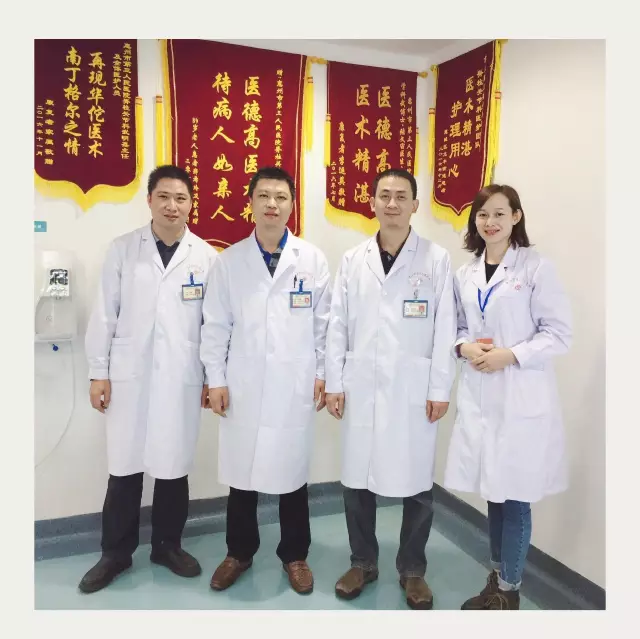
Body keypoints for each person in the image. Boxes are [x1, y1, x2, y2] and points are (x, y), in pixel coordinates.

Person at [80, 165, 217, 593]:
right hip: (129, 377)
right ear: (150, 201)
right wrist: (98, 372)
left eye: (181, 198)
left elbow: (213, 325)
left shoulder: (206, 257)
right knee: (125, 468)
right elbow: (104, 314)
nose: (172, 206)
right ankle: (115, 554)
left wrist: (212, 377)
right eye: (164, 197)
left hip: (181, 376)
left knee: (173, 467)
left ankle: (167, 546)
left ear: (191, 203)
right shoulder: (123, 250)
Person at [325, 168, 457, 610]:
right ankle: (362, 562)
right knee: (357, 479)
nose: (393, 203)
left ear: (415, 205)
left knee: (417, 482)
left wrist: (440, 387)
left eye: (402, 196)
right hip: (361, 384)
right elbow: (337, 325)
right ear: (372, 203)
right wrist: (335, 382)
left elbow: (445, 328)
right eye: (385, 195)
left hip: (412, 388)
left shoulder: (436, 259)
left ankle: (413, 569)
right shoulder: (353, 259)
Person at [201, 166, 331, 595]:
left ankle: (295, 555)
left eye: (281, 197)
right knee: (243, 473)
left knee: (292, 473)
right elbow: (215, 325)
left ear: (293, 205)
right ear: (251, 203)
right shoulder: (230, 261)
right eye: (264, 196)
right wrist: (216, 379)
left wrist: (322, 373)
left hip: (294, 382)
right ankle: (238, 552)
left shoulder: (312, 260)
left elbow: (324, 325)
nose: (272, 204)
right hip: (243, 382)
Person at [445, 184, 572, 610]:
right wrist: (464, 347)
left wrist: (511, 355)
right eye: (483, 214)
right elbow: (459, 326)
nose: (490, 222)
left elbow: (558, 334)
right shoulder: (466, 273)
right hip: (482, 398)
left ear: (516, 217)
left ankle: (509, 590)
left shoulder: (535, 269)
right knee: (494, 494)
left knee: (515, 498)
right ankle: (498, 575)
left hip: (519, 399)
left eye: (500, 213)